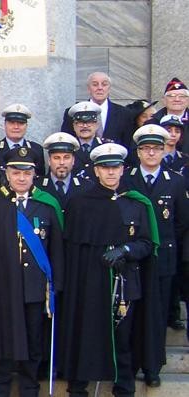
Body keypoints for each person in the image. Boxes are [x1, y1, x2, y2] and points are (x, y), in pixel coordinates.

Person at [59, 143, 156, 397]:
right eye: (105, 168)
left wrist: (125, 250)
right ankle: (78, 387)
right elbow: (70, 248)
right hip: (88, 281)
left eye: (115, 167)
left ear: (123, 169)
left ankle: (123, 388)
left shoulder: (136, 203)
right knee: (84, 332)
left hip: (123, 282)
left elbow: (146, 243)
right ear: (96, 171)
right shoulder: (79, 203)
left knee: (122, 339)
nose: (111, 173)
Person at [0, 147, 64, 397]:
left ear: (35, 174)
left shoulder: (46, 205)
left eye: (26, 172)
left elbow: (57, 249)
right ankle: (0, 389)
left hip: (35, 288)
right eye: (15, 172)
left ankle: (29, 388)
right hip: (2, 286)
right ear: (8, 173)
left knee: (34, 343)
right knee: (2, 341)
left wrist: (57, 285)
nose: (21, 178)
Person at [122, 125, 189, 388]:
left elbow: (182, 221)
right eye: (146, 149)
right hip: (133, 260)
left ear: (164, 151)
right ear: (138, 152)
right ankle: (132, 363)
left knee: (157, 315)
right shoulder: (127, 179)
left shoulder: (176, 181)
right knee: (132, 315)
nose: (151, 153)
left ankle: (153, 366)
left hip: (162, 260)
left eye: (156, 148)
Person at [61, 72, 135, 148]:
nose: (100, 88)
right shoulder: (72, 113)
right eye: (95, 84)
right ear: (88, 88)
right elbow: (66, 142)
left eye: (104, 84)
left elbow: (128, 145)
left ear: (109, 88)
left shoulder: (124, 114)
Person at [37, 132, 89, 210]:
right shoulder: (37, 186)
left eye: (66, 157)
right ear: (49, 161)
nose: (62, 162)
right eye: (56, 158)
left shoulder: (87, 187)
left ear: (73, 160)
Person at [0, 104, 45, 175]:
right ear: (4, 125)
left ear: (26, 126)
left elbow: (40, 180)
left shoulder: (36, 149)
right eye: (11, 123)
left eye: (21, 123)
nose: (16, 127)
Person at [68, 101, 107, 173]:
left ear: (97, 125)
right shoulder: (68, 148)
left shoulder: (105, 147)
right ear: (74, 125)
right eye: (80, 123)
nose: (85, 126)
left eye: (89, 122)